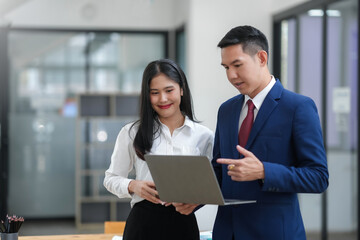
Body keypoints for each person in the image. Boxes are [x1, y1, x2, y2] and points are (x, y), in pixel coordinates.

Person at [211, 25, 329, 240]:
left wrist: (264, 171)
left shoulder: (298, 107)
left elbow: (318, 177)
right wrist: (192, 198)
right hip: (227, 232)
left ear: (262, 58)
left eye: (237, 65)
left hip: (274, 233)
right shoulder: (226, 110)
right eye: (226, 67)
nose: (231, 75)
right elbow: (219, 169)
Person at [103, 59, 213, 240]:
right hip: (143, 222)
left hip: (183, 223)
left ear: (182, 89)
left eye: (169, 90)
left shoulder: (204, 136)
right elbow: (110, 178)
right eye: (154, 93)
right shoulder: (132, 132)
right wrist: (133, 185)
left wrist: (197, 199)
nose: (163, 99)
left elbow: (212, 184)